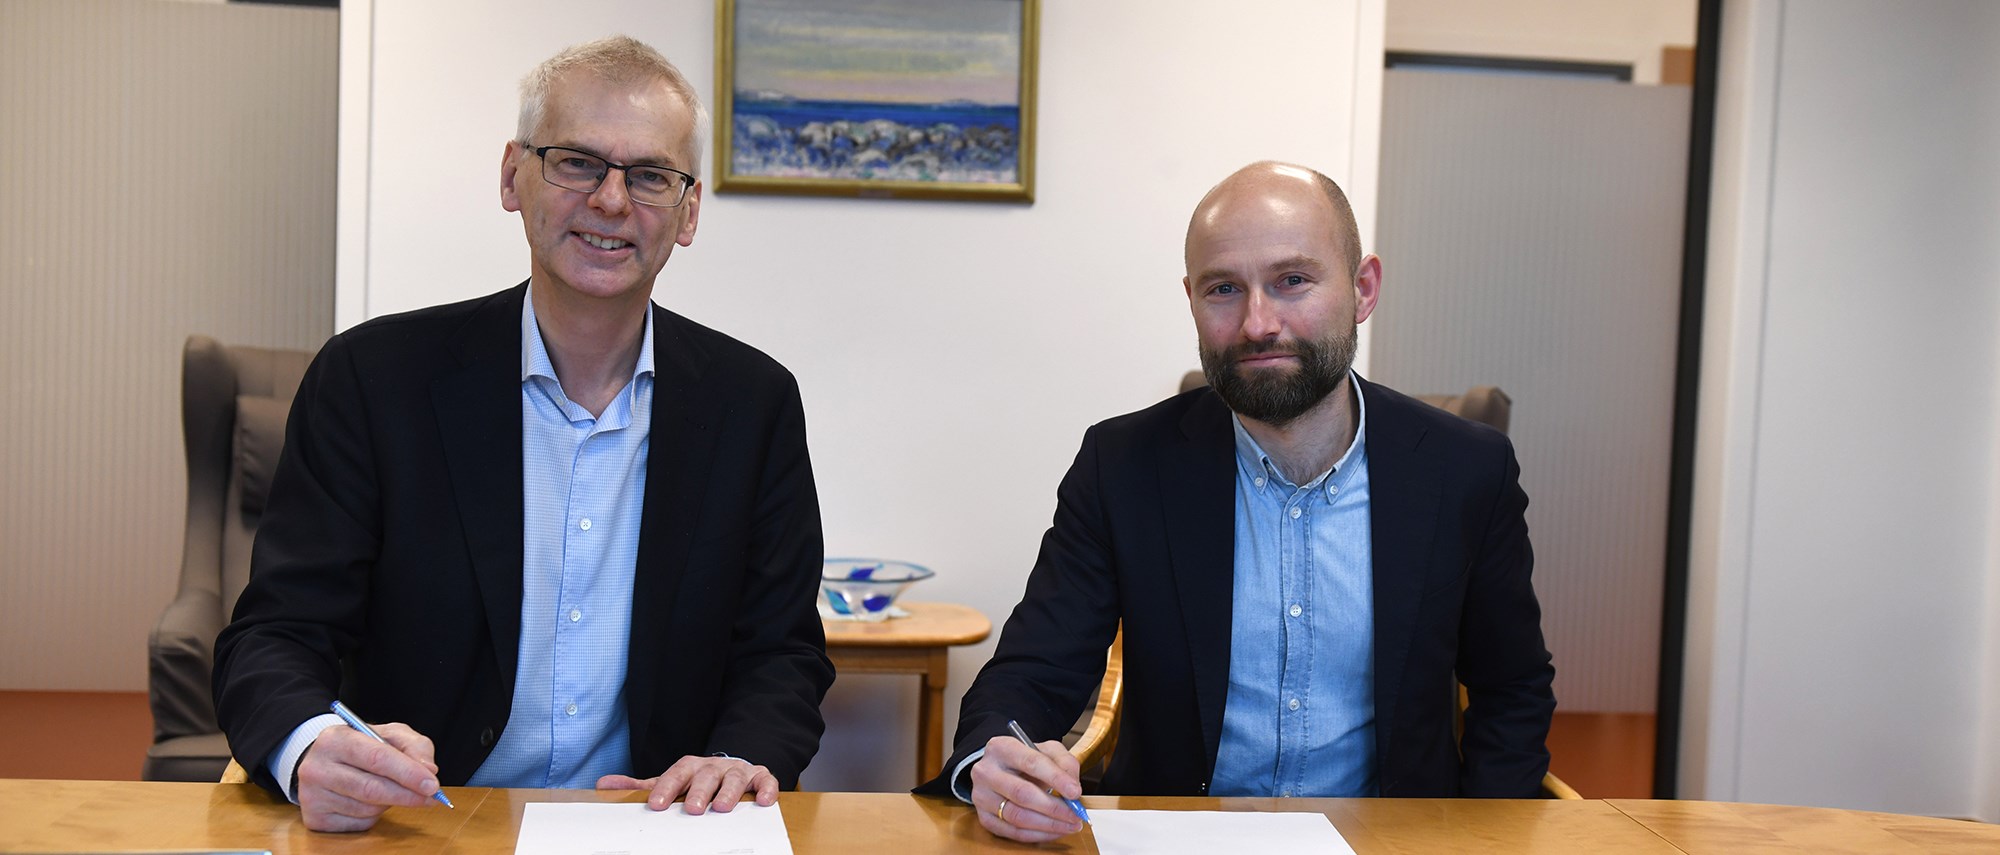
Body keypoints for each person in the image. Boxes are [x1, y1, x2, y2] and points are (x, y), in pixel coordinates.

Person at [212, 36, 833, 833]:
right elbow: (274, 635)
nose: (611, 200)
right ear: (513, 176)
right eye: (576, 161)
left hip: (647, 828)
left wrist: (742, 754)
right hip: (420, 824)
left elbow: (782, 652)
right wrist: (312, 744)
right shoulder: (372, 378)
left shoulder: (755, 404)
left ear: (689, 212)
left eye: (649, 175)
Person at [916, 162, 1556, 843]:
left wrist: (1483, 839)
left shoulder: (1466, 470)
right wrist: (996, 760)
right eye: (1225, 288)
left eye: (1293, 281)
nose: (1257, 323)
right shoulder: (1125, 465)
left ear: (1363, 289)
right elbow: (1035, 669)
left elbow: (1511, 688)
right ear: (1191, 299)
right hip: (1175, 838)